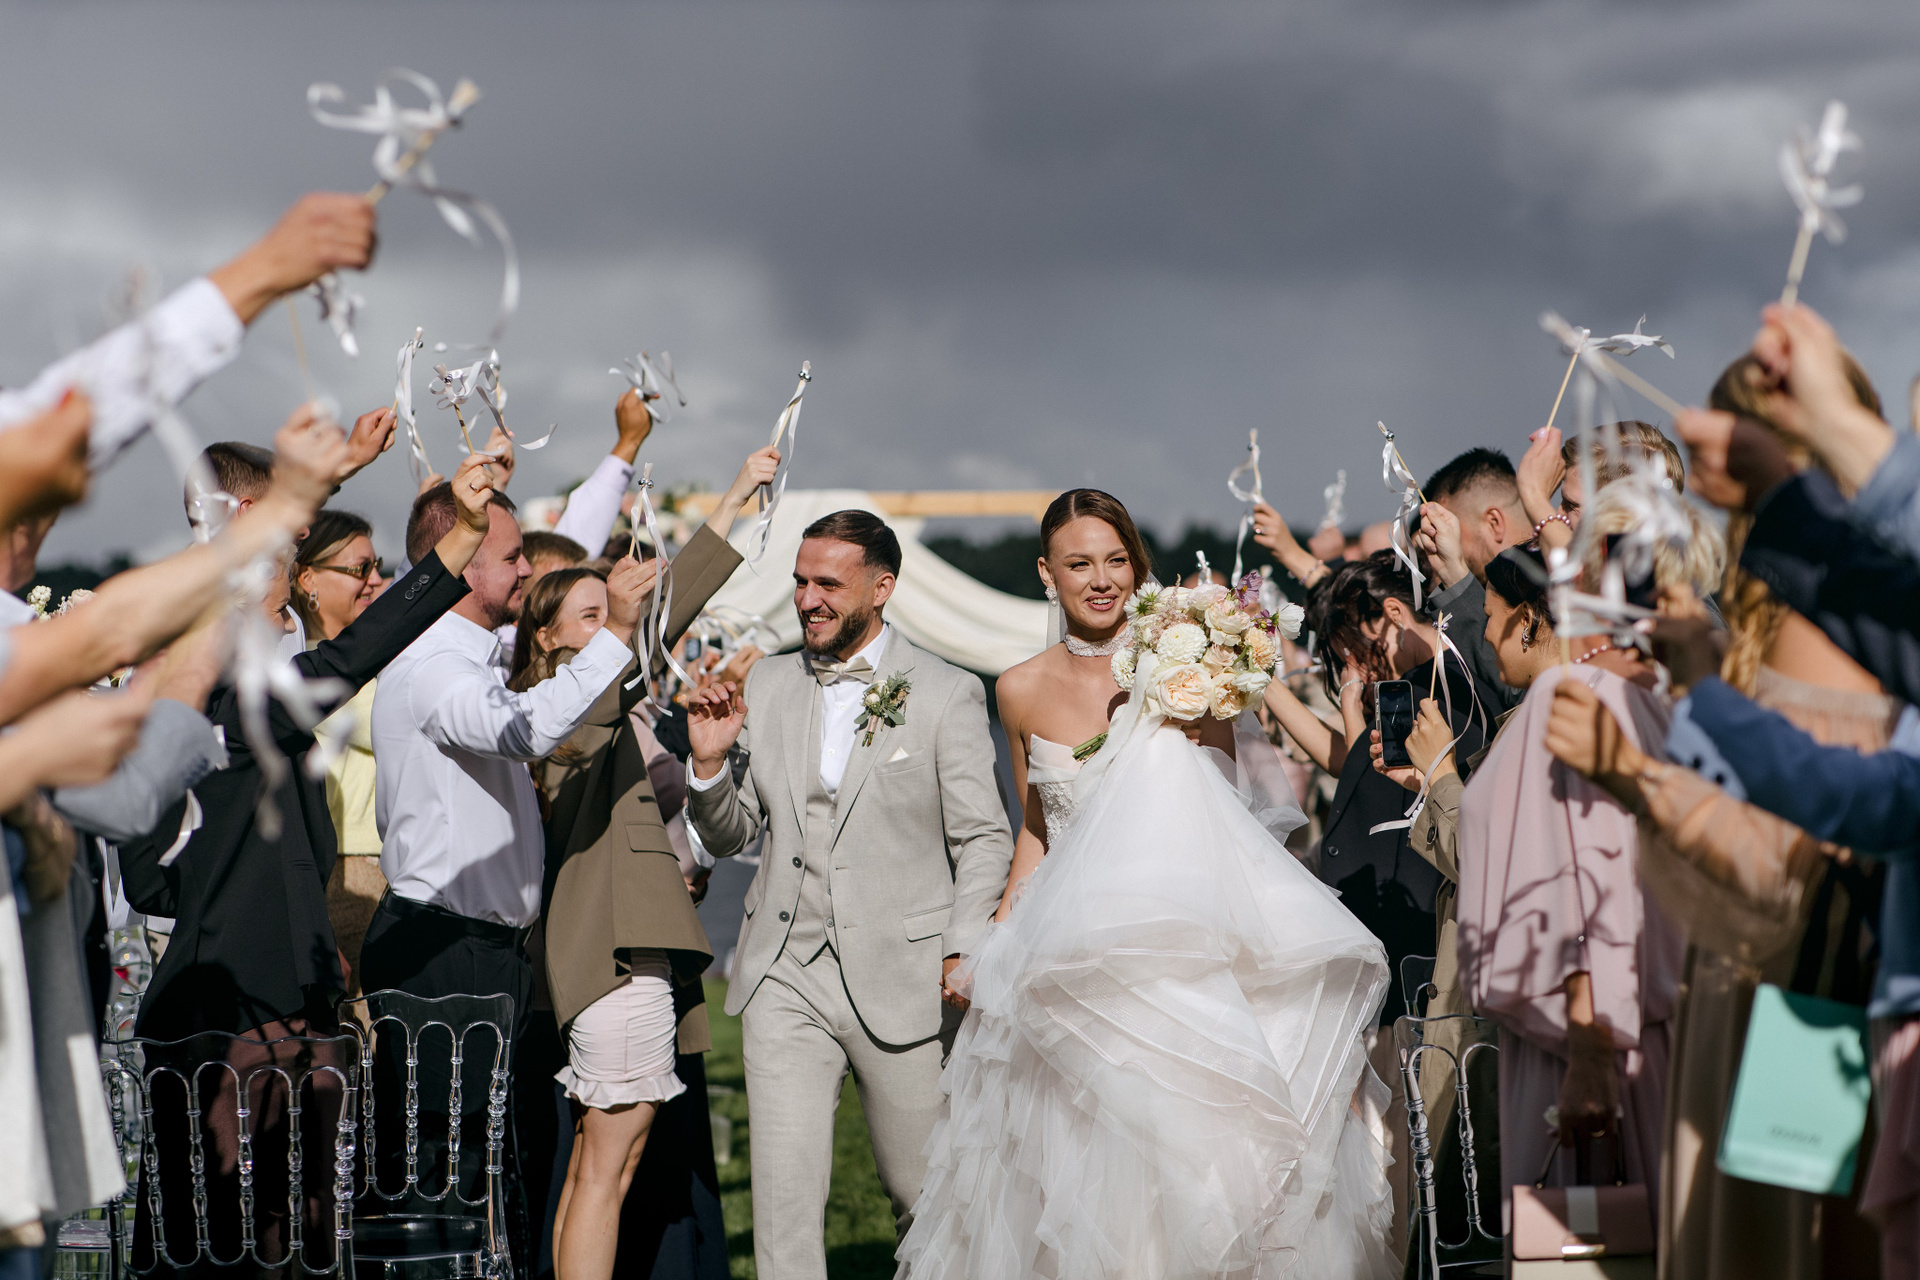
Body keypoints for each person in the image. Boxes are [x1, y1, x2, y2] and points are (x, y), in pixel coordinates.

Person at [895, 488, 1394, 1277]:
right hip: (1067, 959)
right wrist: (995, 935)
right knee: (1069, 1178)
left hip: (1181, 953)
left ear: (1137, 565)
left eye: (1116, 560)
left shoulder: (1192, 666)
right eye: (1078, 564)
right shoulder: (1017, 688)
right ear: (1046, 574)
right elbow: (1037, 830)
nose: (1101, 580)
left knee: (1198, 1172)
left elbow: (1223, 807)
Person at [682, 509, 1014, 1280]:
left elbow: (984, 837)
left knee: (922, 1197)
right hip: (783, 976)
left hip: (908, 976)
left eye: (828, 583)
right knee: (783, 1207)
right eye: (800, 581)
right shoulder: (768, 682)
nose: (807, 599)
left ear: (882, 587)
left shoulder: (948, 693)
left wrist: (965, 944)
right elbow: (734, 836)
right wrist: (709, 767)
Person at [529, 445, 773, 1280]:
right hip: (617, 964)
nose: (615, 626)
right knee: (605, 1176)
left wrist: (736, 494)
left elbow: (669, 607)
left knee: (597, 1172)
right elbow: (652, 631)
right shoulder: (566, 714)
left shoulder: (595, 697)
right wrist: (628, 627)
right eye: (590, 616)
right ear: (548, 637)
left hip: (625, 957)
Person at [1450, 545, 1682, 1233]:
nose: (1486, 636)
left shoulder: (1563, 698)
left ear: (1528, 618)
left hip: (1575, 1037)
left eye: (1491, 616)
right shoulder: (1632, 694)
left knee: (1585, 1240)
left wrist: (1589, 1055)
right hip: (1619, 1027)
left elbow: (1581, 881)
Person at [289, 508, 389, 1001]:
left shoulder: (367, 664)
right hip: (351, 875)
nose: (377, 581)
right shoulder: (309, 672)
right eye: (360, 569)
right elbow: (389, 721)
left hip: (382, 868)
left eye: (378, 566)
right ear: (308, 579)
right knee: (362, 1029)